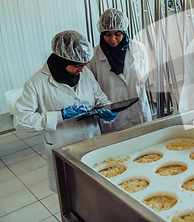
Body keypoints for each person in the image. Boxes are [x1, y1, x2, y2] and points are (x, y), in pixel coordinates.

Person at [14, 30, 117, 192]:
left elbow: (100, 98)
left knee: (99, 189)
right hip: (64, 147)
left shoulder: (86, 74)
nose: (82, 70)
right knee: (73, 195)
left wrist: (107, 109)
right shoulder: (36, 83)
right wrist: (59, 116)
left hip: (93, 141)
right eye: (77, 66)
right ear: (62, 61)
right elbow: (21, 121)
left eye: (84, 65)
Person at [88, 8, 151, 133]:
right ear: (101, 33)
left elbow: (144, 77)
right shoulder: (94, 56)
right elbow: (93, 90)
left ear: (124, 31)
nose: (112, 39)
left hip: (139, 111)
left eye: (117, 34)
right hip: (113, 118)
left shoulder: (138, 48)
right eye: (107, 34)